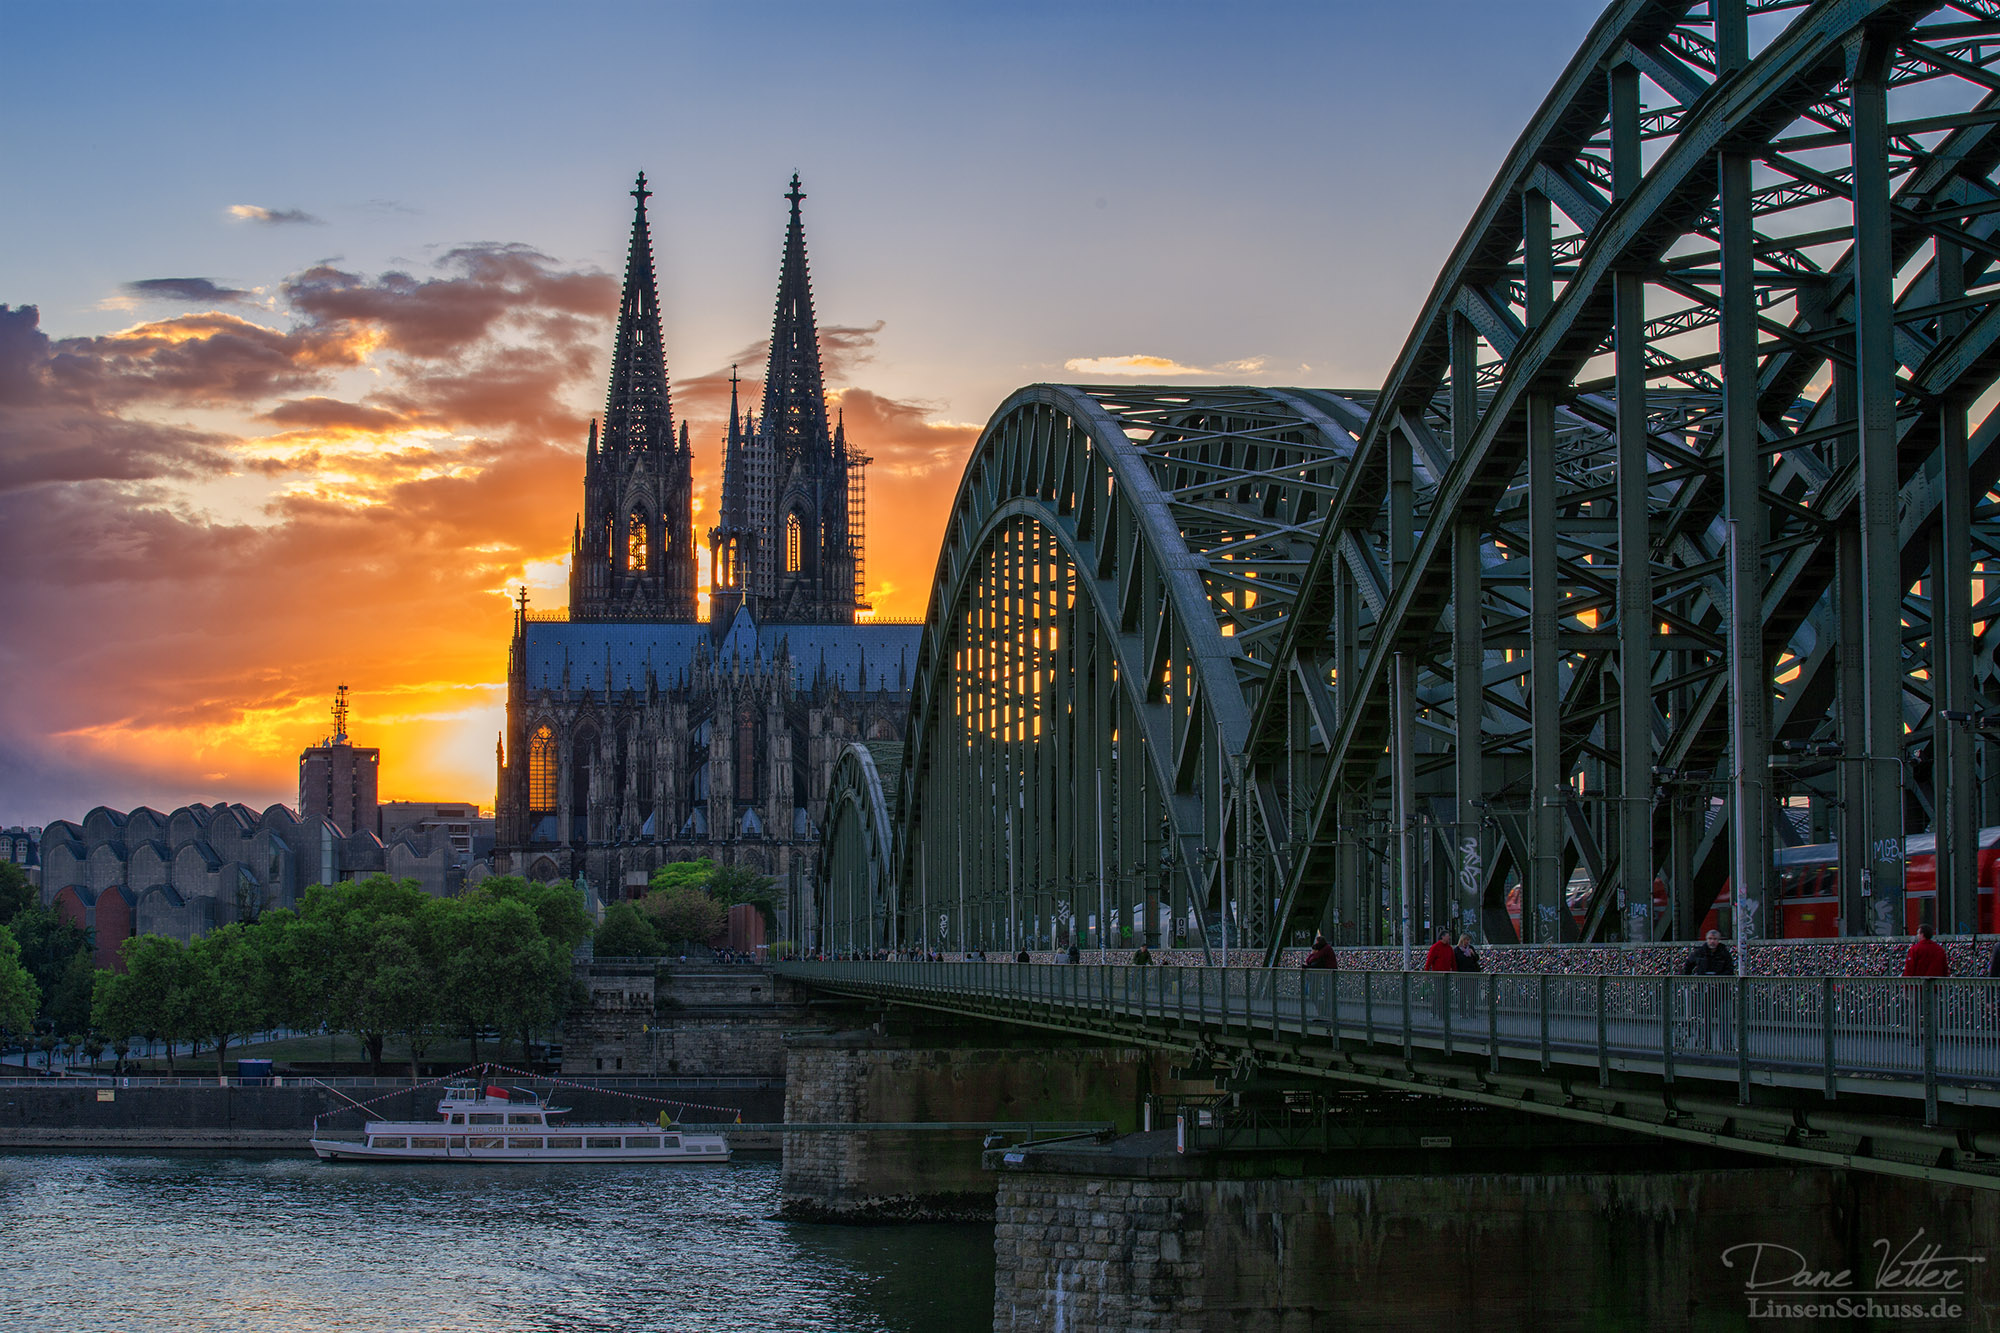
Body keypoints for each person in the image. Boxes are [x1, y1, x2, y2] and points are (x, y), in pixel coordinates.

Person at [1681, 928, 1733, 1051]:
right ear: (1706, 939)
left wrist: (1718, 978)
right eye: (1710, 939)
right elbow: (1688, 965)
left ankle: (1726, 1046)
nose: (1712, 941)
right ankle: (1706, 1045)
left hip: (1722, 991)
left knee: (1725, 1019)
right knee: (1705, 1020)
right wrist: (1687, 979)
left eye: (1715, 939)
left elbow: (1730, 970)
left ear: (1719, 940)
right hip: (1705, 991)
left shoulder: (1724, 953)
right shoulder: (1700, 952)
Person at [1423, 934, 1455, 1021]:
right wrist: (1426, 972)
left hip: (1446, 974)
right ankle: (1438, 1012)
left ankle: (1440, 1012)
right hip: (1437, 974)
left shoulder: (1449, 948)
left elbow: (1453, 961)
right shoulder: (1436, 947)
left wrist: (1455, 971)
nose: (1449, 937)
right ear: (1442, 937)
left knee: (1444, 994)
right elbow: (1429, 960)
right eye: (1447, 936)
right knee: (1439, 993)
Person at [1453, 934, 1481, 1017]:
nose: (1467, 942)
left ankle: (1472, 1012)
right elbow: (1457, 962)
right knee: (1463, 995)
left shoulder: (1471, 948)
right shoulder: (1457, 950)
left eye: (1468, 940)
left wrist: (1473, 954)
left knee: (1472, 994)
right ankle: (1463, 1013)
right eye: (1466, 940)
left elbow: (1476, 959)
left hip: (1472, 974)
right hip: (1462, 975)